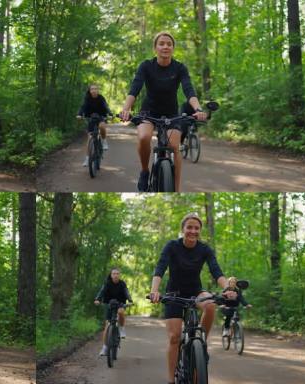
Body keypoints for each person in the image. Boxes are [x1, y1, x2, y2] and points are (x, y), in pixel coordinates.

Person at [148, 213, 237, 384]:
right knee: (174, 338)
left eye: (196, 228)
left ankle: (201, 345)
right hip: (173, 293)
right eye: (189, 227)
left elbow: (216, 271)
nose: (193, 231)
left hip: (196, 291)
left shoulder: (205, 249)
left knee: (210, 304)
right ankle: (170, 380)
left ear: (200, 231)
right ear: (183, 229)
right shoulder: (172, 246)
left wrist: (226, 288)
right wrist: (155, 291)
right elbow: (160, 268)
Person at [119, 32, 208, 192]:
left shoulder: (179, 68)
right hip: (148, 112)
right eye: (161, 43)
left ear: (173, 48)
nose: (165, 46)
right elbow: (135, 88)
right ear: (155, 47)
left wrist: (198, 109)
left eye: (169, 44)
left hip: (171, 114)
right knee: (144, 137)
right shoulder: (146, 66)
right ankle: (145, 172)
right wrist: (126, 109)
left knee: (175, 147)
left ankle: (176, 189)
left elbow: (189, 90)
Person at [94, 267, 132, 356]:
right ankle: (104, 347)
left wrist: (130, 300)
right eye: (114, 273)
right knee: (107, 326)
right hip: (109, 305)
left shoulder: (122, 284)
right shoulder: (107, 283)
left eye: (117, 274)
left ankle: (122, 328)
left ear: (119, 275)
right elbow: (102, 292)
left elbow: (126, 292)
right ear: (111, 275)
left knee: (121, 312)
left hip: (120, 304)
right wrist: (97, 299)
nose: (115, 275)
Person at [76, 84, 112, 166]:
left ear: (98, 90)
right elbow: (83, 107)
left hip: (101, 117)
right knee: (89, 139)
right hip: (91, 118)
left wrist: (110, 114)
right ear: (90, 90)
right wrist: (79, 114)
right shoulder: (87, 98)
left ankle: (104, 141)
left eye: (96, 89)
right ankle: (87, 159)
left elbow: (106, 106)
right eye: (92, 89)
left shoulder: (101, 98)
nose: (94, 90)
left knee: (102, 126)